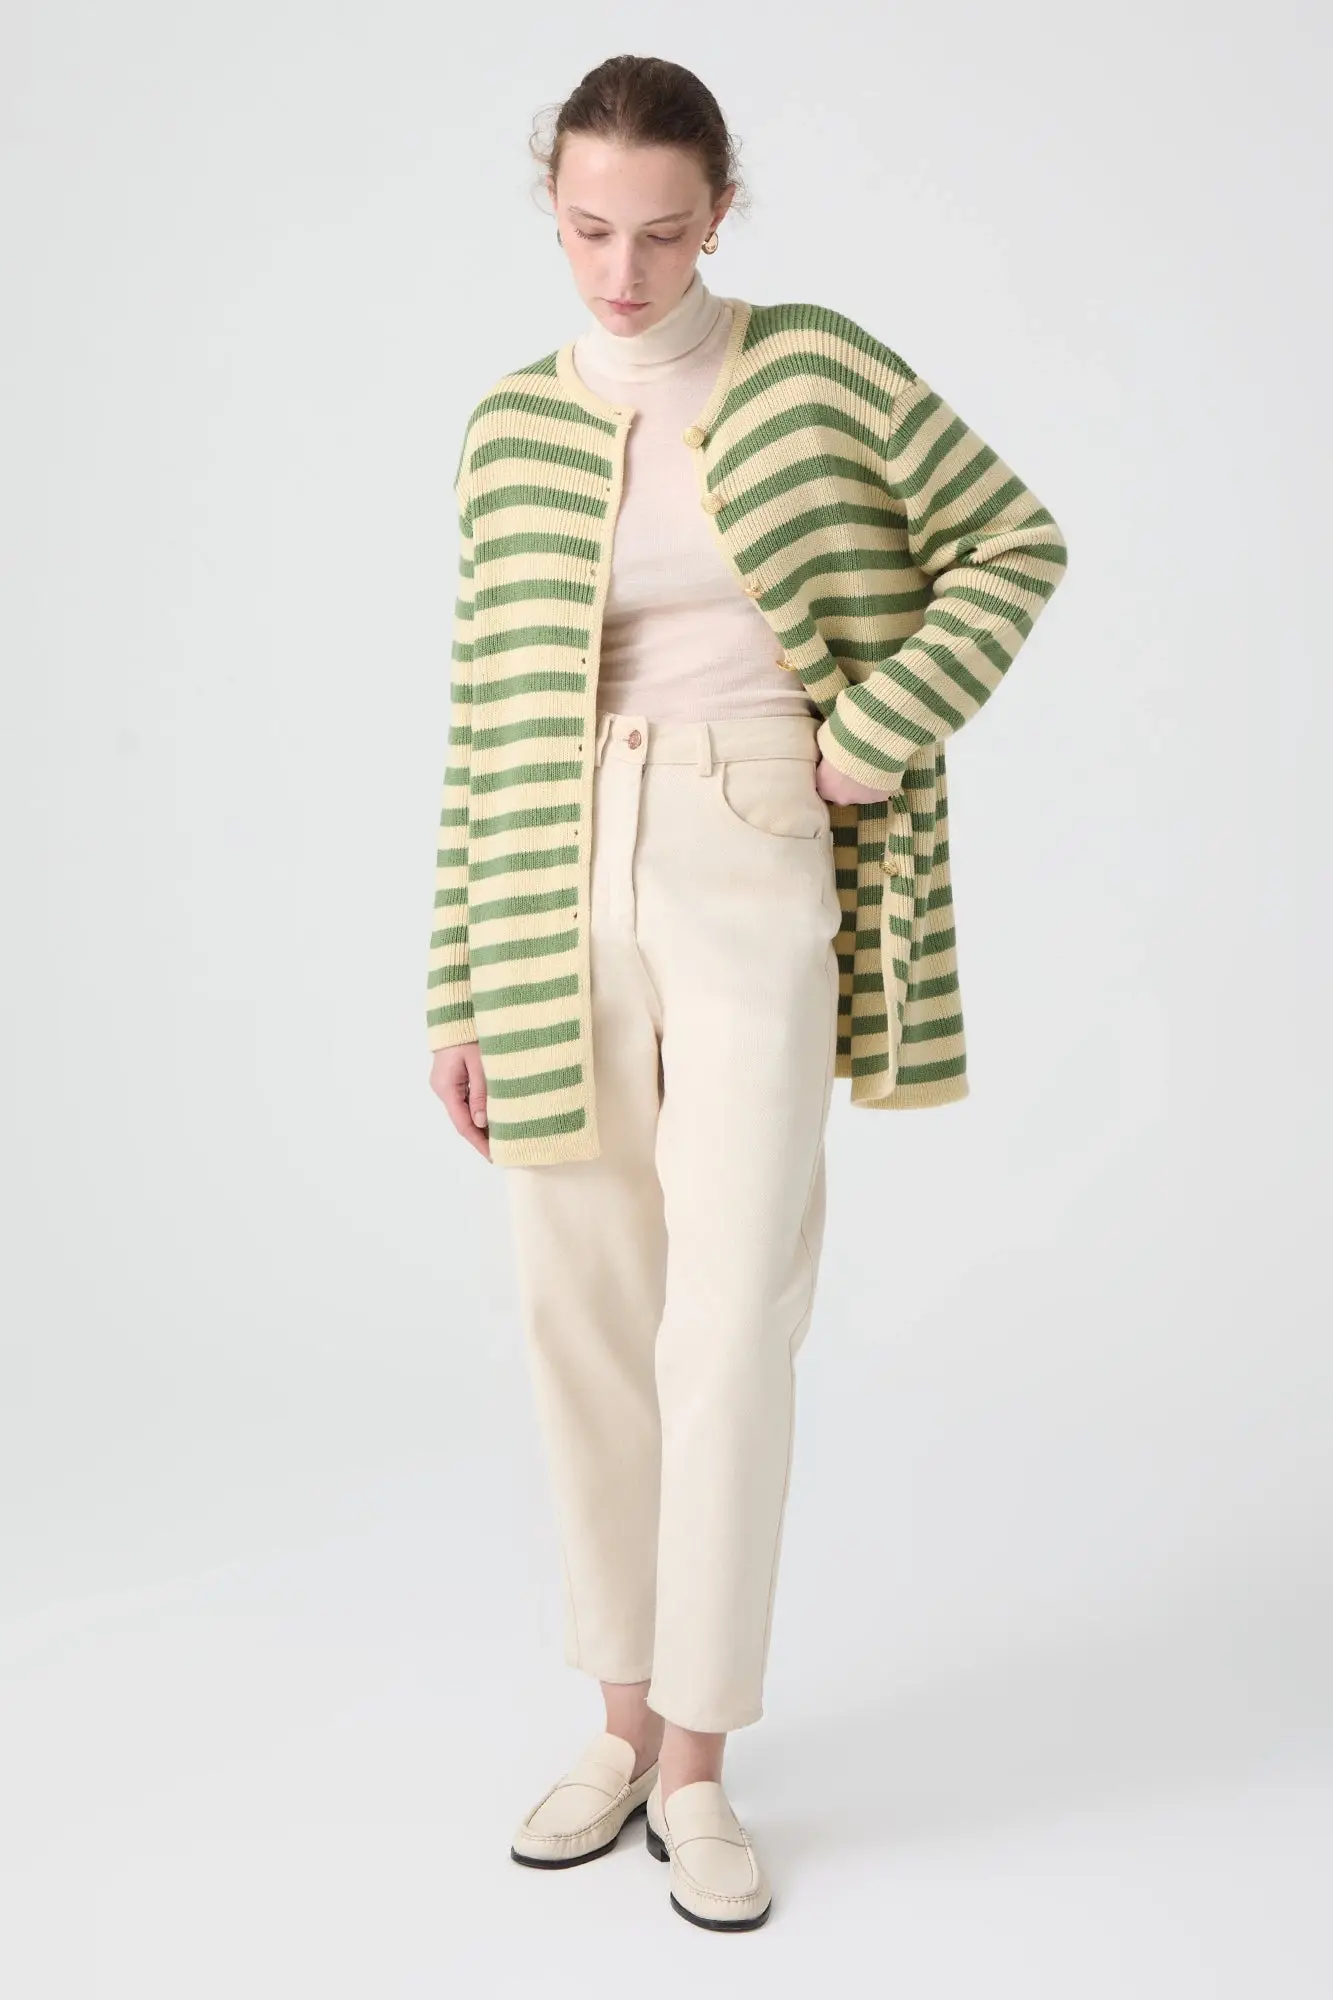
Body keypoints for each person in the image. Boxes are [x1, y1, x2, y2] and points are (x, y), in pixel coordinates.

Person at [425, 55, 1068, 1932]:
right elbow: (482, 717)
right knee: (579, 1310)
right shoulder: (509, 429)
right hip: (548, 875)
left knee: (727, 1321)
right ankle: (616, 1726)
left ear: (723, 214)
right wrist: (454, 986)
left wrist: (872, 730)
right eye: (587, 231)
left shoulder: (812, 372)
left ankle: (700, 1762)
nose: (621, 274)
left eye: (661, 232)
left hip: (752, 842)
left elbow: (1012, 541)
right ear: (551, 209)